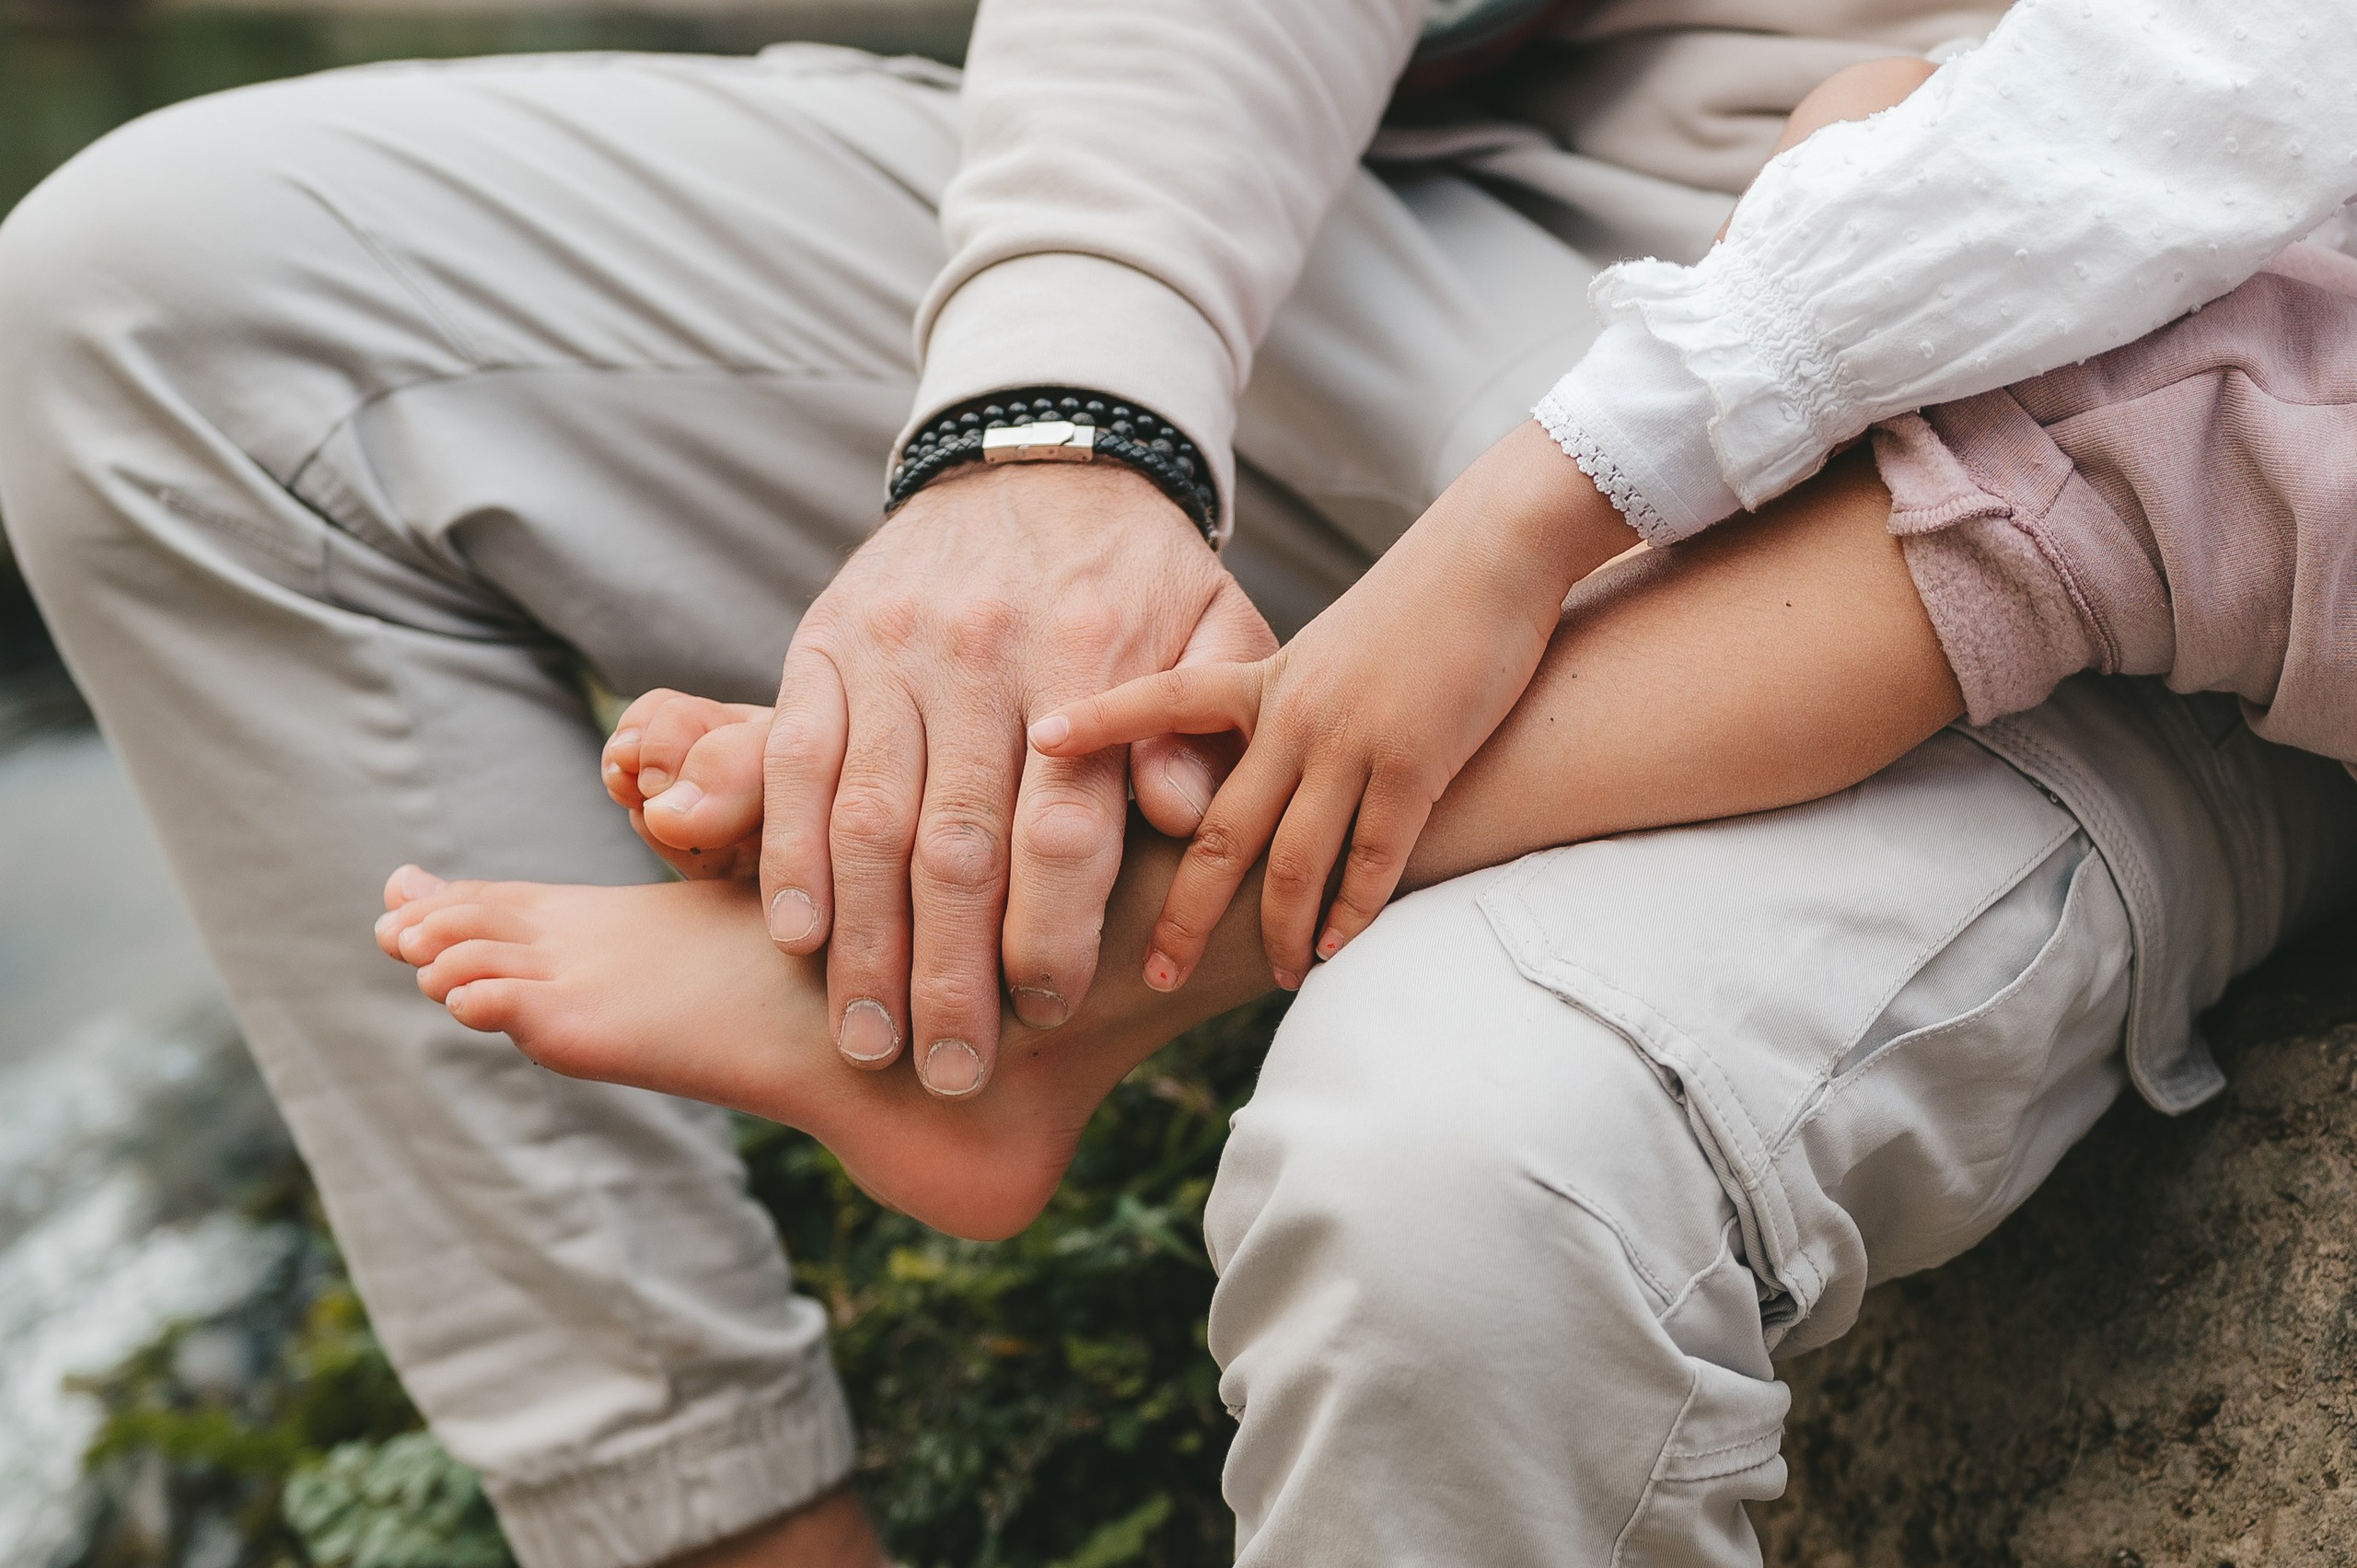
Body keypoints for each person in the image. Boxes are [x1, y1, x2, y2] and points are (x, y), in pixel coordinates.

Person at [7, 0, 2357, 1562]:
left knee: (1452, 1193)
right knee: (149, 303)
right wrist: (1062, 416)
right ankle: (727, 1518)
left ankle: (1099, 959)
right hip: (1532, 216)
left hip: (2152, 454)